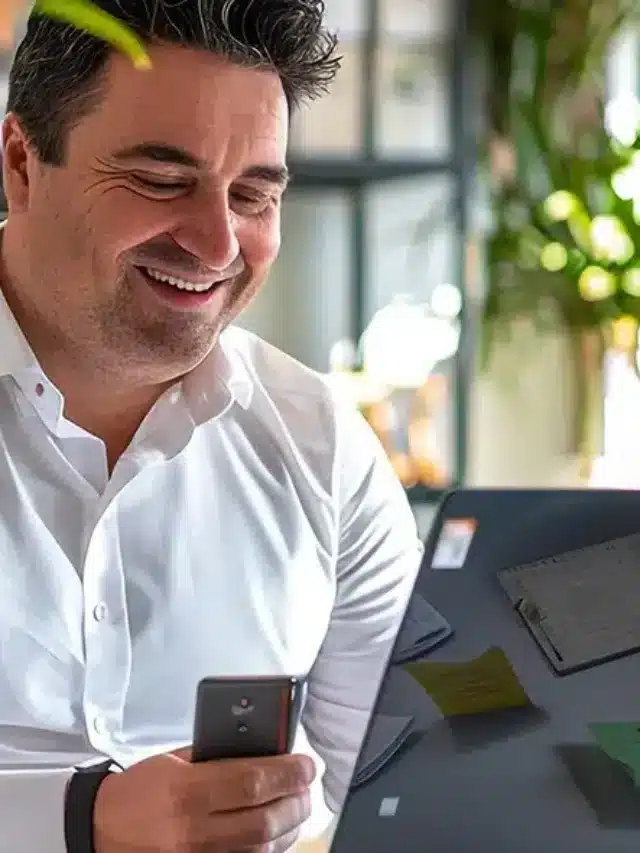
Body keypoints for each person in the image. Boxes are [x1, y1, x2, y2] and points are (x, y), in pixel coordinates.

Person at [0, 1, 423, 851]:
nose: (216, 239)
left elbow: (417, 788)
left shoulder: (323, 449)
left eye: (255, 195)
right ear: (20, 163)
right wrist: (77, 820)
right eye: (161, 182)